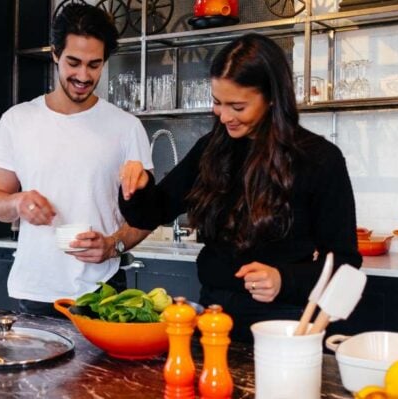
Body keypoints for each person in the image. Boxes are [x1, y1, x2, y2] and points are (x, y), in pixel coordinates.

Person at [118, 33, 362, 341]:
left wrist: (283, 279)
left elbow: (344, 263)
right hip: (214, 322)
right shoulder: (211, 150)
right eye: (218, 103)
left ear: (272, 97)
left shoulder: (319, 160)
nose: (224, 116)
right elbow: (151, 213)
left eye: (237, 106)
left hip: (285, 325)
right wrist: (137, 187)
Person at [0, 3, 152, 316]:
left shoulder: (126, 127)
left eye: (94, 65)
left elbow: (147, 215)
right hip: (34, 290)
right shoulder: (17, 120)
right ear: (55, 54)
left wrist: (113, 244)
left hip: (101, 292)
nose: (83, 75)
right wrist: (18, 203)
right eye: (73, 63)